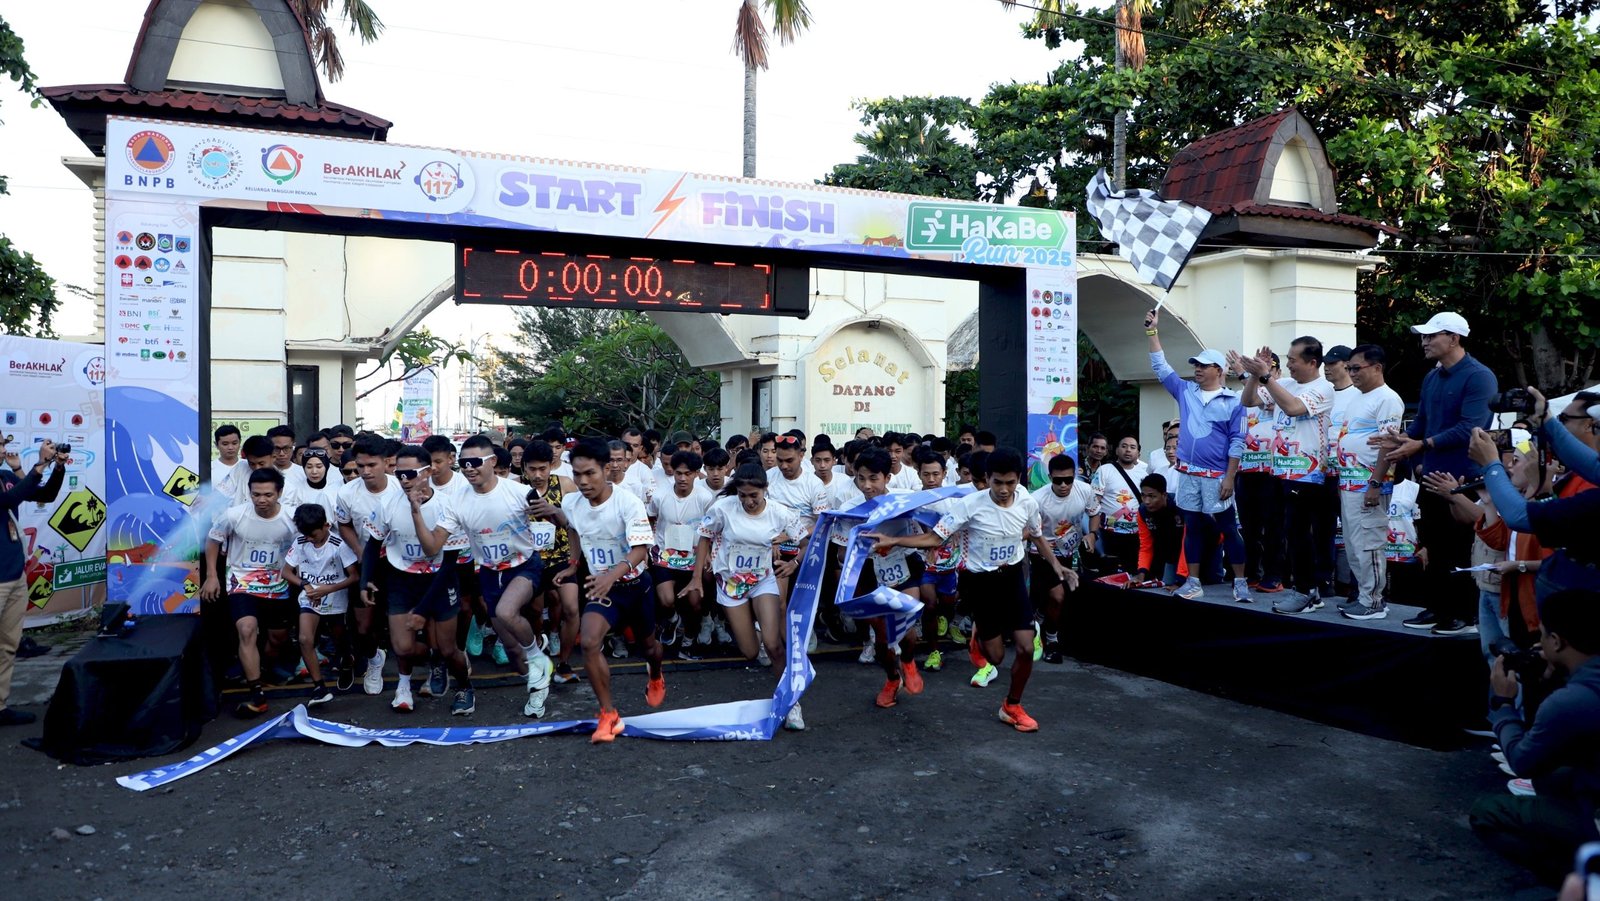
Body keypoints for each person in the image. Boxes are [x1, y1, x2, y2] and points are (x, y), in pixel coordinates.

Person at [869, 448, 1071, 732]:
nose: (1003, 489)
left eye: (1010, 483)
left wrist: (1057, 566)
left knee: (1025, 649)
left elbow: (1036, 535)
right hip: (980, 583)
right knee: (996, 658)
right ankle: (979, 639)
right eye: (997, 482)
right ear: (987, 478)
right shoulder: (969, 506)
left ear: (1019, 480)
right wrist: (894, 539)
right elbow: (933, 537)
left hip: (1011, 578)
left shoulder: (1026, 500)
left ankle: (1012, 706)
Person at [1375, 311, 1497, 635]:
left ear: (1454, 339)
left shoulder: (1479, 376)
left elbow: (1470, 428)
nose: (1424, 342)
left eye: (1431, 336)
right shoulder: (1433, 376)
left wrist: (1421, 444)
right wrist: (1400, 439)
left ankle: (1464, 615)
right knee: (1434, 545)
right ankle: (1439, 608)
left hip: (1464, 477)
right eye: (1424, 336)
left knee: (1460, 546)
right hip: (1431, 475)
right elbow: (1421, 424)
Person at [417, 435, 555, 718]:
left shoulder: (518, 492)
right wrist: (414, 510)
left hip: (524, 565)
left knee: (507, 612)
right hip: (490, 573)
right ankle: (537, 686)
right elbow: (432, 547)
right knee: (513, 654)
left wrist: (557, 517)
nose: (469, 468)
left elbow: (559, 521)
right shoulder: (456, 501)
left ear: (492, 462)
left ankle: (538, 655)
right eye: (464, 463)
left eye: (475, 462)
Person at [1471, 589, 1600, 886]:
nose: (1539, 642)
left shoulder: (1572, 700)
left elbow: (1523, 761)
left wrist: (1504, 704)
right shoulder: (1584, 681)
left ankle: (1580, 877)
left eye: (1543, 635)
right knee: (1551, 778)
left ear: (1556, 641)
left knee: (1487, 812)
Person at [557, 440, 667, 742]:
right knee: (590, 641)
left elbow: (640, 549)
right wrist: (574, 563)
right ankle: (608, 714)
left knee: (649, 649)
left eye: (590, 474)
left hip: (635, 586)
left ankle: (656, 674)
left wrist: (612, 575)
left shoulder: (627, 502)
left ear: (607, 470)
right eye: (577, 474)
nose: (582, 482)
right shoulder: (572, 503)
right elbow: (575, 529)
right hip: (603, 590)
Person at [1144, 308, 1252, 603]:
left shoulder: (1234, 400)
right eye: (1196, 365)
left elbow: (1237, 440)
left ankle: (1241, 581)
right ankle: (1192, 582)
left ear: (1219, 370)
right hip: (1188, 473)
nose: (1198, 369)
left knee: (1228, 528)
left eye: (1204, 365)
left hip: (1217, 476)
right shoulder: (1185, 391)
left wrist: (1230, 476)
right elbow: (1160, 366)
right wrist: (1153, 332)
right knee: (1191, 527)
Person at [692, 462, 807, 728]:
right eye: (743, 495)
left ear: (765, 490)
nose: (748, 501)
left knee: (774, 645)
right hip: (731, 584)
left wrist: (793, 563)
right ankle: (753, 628)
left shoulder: (780, 513)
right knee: (750, 652)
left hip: (762, 579)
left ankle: (791, 702)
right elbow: (704, 538)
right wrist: (697, 577)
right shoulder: (723, 508)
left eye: (754, 496)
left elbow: (804, 542)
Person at [1235, 338, 1334, 609]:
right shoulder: (1286, 384)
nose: (1288, 364)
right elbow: (1249, 400)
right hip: (1278, 471)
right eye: (1287, 358)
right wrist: (1256, 377)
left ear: (1312, 362)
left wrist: (1267, 376)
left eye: (1293, 359)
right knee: (1287, 531)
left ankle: (1306, 591)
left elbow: (1293, 407)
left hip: (1307, 473)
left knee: (1299, 532)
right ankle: (1305, 589)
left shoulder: (1323, 388)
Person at [374, 447, 474, 714]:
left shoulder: (447, 505)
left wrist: (422, 609)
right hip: (402, 579)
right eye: (398, 473)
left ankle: (465, 687)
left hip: (440, 579)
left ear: (428, 472)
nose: (403, 479)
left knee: (448, 647)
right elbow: (374, 544)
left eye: (410, 474)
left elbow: (449, 562)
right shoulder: (388, 502)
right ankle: (404, 685)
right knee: (403, 647)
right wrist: (365, 582)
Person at [202, 468, 299, 718]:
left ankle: (263, 668)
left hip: (278, 585)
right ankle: (257, 694)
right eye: (256, 494)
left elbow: (304, 548)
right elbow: (213, 540)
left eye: (268, 494)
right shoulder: (234, 515)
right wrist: (212, 576)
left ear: (279, 493)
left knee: (277, 639)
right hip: (242, 581)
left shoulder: (292, 518)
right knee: (246, 630)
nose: (261, 500)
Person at [1325, 345, 1405, 620]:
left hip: (1369, 485)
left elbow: (1388, 444)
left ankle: (1373, 601)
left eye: (1356, 368)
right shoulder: (1357, 398)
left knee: (1369, 543)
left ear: (1377, 367)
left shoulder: (1387, 399)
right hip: (1349, 483)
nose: (1352, 373)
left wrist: (1375, 484)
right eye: (1349, 368)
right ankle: (1363, 596)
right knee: (1354, 544)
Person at [0, 440, 64, 726]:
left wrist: (57, 467)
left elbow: (44, 495)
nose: (3, 447)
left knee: (7, 645)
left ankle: (0, 707)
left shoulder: (5, 477)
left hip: (13, 576)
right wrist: (38, 465)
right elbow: (7, 502)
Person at [333, 437, 399, 696]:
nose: (365, 471)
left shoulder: (400, 488)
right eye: (360, 466)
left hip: (399, 565)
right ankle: (374, 659)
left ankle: (408, 679)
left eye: (372, 465)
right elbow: (344, 524)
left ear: (386, 463)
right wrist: (362, 553)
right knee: (363, 627)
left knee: (400, 623)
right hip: (365, 564)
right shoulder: (347, 493)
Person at [281, 504, 358, 706]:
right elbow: (286, 572)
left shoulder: (338, 544)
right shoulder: (300, 542)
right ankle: (319, 687)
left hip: (335, 597)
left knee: (339, 637)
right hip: (310, 595)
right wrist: (305, 585)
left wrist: (328, 589)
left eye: (313, 534)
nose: (309, 539)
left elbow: (353, 576)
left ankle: (347, 661)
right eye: (305, 534)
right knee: (305, 638)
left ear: (326, 525)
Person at [521, 442, 582, 683]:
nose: (537, 475)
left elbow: (576, 522)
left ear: (550, 467)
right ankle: (537, 647)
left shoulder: (564, 485)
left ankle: (564, 664)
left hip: (562, 558)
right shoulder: (516, 489)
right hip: (531, 560)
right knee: (535, 611)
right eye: (532, 469)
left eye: (542, 469)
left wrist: (553, 511)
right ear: (524, 468)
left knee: (571, 608)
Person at [649, 450, 715, 660]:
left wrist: (708, 554)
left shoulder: (705, 498)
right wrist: (649, 545)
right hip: (665, 556)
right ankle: (672, 619)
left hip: (693, 557)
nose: (683, 478)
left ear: (696, 474)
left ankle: (688, 640)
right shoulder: (660, 495)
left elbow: (712, 529)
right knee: (667, 600)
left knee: (695, 602)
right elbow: (650, 518)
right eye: (679, 473)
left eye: (688, 473)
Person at [1033, 453, 1094, 664]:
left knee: (1056, 598)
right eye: (1058, 480)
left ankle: (1039, 617)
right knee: (1057, 596)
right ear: (1050, 477)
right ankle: (1051, 640)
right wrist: (1049, 557)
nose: (1063, 485)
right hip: (1042, 554)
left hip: (1070, 553)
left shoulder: (1085, 490)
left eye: (1068, 479)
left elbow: (1094, 513)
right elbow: (1032, 533)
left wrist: (1092, 534)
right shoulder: (1038, 500)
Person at [913, 447, 965, 669]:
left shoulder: (956, 500)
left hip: (950, 565)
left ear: (944, 473)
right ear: (919, 474)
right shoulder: (912, 500)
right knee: (930, 604)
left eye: (936, 474)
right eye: (926, 474)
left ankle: (948, 618)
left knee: (947, 603)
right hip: (924, 565)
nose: (931, 479)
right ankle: (934, 651)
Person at [1087, 435, 1148, 574]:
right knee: (1109, 573)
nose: (1128, 450)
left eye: (1133, 447)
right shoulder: (1105, 470)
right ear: (1116, 450)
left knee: (1132, 572)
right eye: (1124, 446)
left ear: (1138, 453)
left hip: (1135, 534)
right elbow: (1094, 501)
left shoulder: (1144, 474)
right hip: (1108, 533)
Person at [1133, 473, 1185, 587]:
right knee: (1168, 583)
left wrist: (1180, 580)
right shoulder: (1142, 512)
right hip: (1173, 551)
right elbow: (1145, 546)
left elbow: (1190, 544)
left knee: (1210, 581)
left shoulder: (1182, 507)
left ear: (1164, 495)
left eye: (1152, 496)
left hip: (1204, 545)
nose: (1146, 501)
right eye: (1143, 495)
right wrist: (1141, 574)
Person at [211, 424, 246, 501]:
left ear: (240, 442)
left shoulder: (247, 465)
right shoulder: (209, 469)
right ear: (216, 445)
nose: (230, 448)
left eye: (234, 443)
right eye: (225, 444)